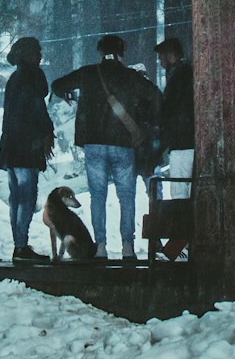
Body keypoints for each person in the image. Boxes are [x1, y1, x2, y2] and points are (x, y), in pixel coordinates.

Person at [51, 34, 160, 260]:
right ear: (121, 53)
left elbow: (57, 85)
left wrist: (69, 95)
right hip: (122, 144)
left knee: (98, 197)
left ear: (100, 53)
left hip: (94, 143)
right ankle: (127, 246)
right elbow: (156, 97)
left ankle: (100, 246)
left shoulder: (88, 73)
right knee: (126, 197)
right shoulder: (130, 76)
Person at [0, 36, 54, 263]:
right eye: (37, 51)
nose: (40, 55)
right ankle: (21, 247)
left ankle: (19, 245)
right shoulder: (32, 77)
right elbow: (38, 109)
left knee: (16, 199)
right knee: (26, 198)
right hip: (27, 147)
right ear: (29, 54)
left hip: (11, 147)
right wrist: (47, 132)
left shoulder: (14, 79)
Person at [155, 37, 194, 201]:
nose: (160, 61)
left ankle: (182, 217)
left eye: (161, 57)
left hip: (181, 142)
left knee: (180, 191)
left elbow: (171, 111)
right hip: (187, 140)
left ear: (170, 55)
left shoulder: (178, 77)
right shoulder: (186, 72)